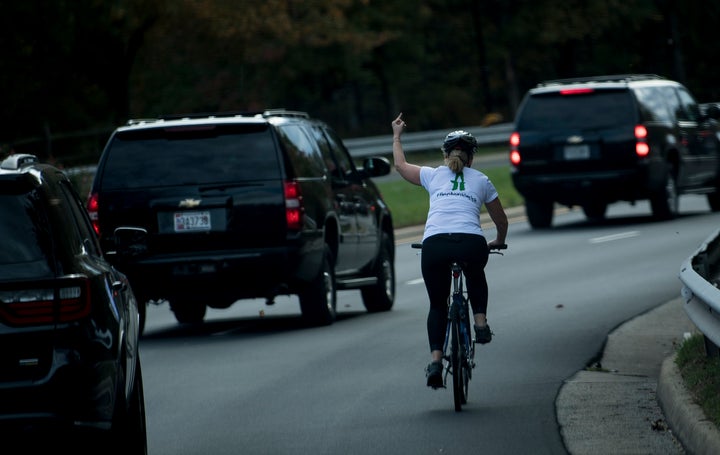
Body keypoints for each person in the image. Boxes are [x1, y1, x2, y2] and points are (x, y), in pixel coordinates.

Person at [391, 112, 509, 389]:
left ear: (446, 155)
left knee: (437, 304)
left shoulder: (432, 175)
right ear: (472, 157)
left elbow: (400, 165)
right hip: (471, 242)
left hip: (435, 244)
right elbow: (500, 220)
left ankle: (435, 361)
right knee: (475, 272)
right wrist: (499, 240)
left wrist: (397, 136)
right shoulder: (481, 179)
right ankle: (480, 322)